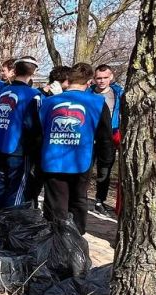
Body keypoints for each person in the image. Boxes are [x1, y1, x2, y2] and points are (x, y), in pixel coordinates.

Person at [37, 63, 114, 234]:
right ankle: (75, 239)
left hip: (53, 159)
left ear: (68, 80)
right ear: (88, 82)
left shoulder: (48, 102)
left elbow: (39, 131)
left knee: (55, 203)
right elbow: (105, 136)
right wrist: (106, 162)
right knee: (78, 200)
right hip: (82, 159)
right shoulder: (98, 103)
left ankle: (55, 239)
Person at [0, 56, 42, 212]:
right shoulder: (33, 95)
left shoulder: (3, 91)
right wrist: (35, 147)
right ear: (33, 72)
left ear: (15, 70)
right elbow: (33, 124)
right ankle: (10, 222)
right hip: (17, 148)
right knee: (16, 188)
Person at [88, 64, 125, 214]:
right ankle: (78, 199)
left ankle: (99, 201)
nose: (102, 81)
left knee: (104, 172)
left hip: (109, 137)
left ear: (111, 77)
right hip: (89, 136)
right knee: (85, 170)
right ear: (94, 79)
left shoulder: (118, 94)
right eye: (99, 78)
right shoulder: (88, 93)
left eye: (105, 78)